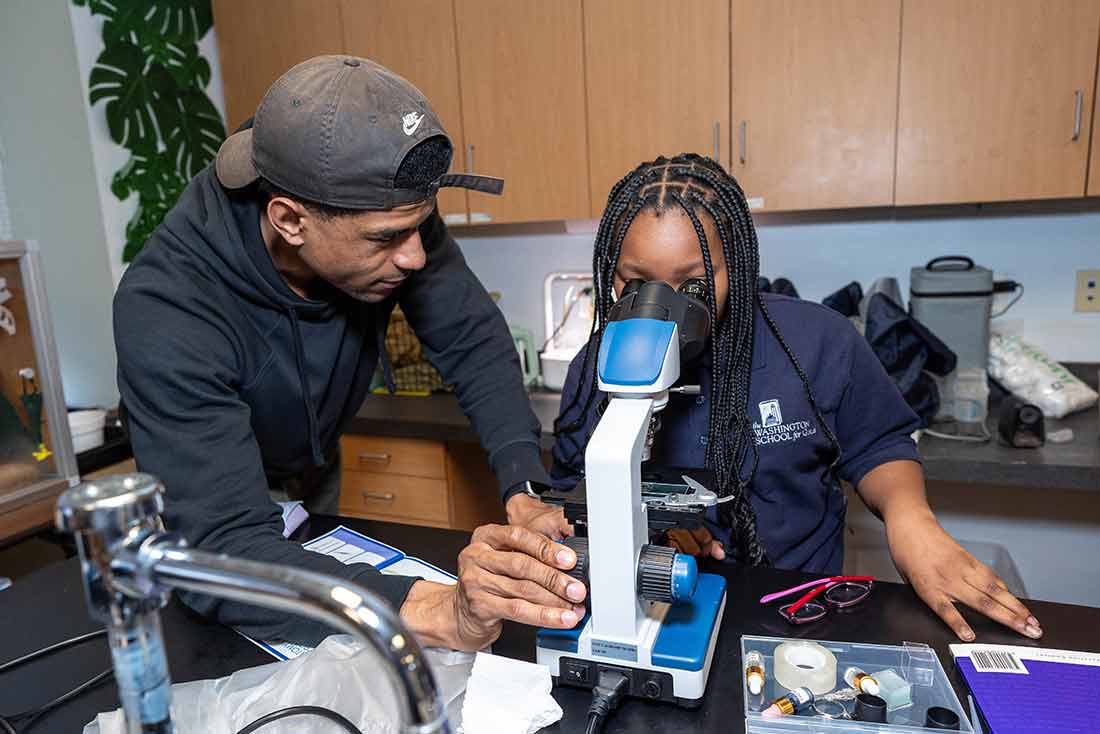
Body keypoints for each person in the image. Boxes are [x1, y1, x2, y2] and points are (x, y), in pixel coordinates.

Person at [113, 56, 584, 650]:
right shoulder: (168, 307)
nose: (415, 257)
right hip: (215, 503)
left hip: (311, 469)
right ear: (290, 220)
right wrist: (442, 612)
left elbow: (471, 337)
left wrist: (523, 487)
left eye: (421, 227)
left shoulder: (382, 213)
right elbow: (225, 552)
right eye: (387, 239)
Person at [548, 153, 1042, 643]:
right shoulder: (594, 368)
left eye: (694, 283)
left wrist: (912, 521)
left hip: (799, 611)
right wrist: (647, 536)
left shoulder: (815, 340)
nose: (666, 307)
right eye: (636, 283)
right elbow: (576, 495)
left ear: (735, 269)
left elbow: (878, 445)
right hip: (659, 614)